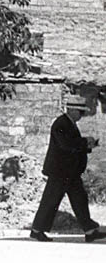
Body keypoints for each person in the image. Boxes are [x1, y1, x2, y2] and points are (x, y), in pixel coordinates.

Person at [30, 94, 106, 242]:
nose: (81, 115)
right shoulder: (61, 124)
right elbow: (66, 145)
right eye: (80, 112)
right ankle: (36, 230)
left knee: (80, 200)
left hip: (69, 171)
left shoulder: (68, 123)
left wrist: (87, 145)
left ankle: (90, 231)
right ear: (71, 110)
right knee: (51, 200)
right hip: (60, 171)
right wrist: (85, 143)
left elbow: (72, 145)